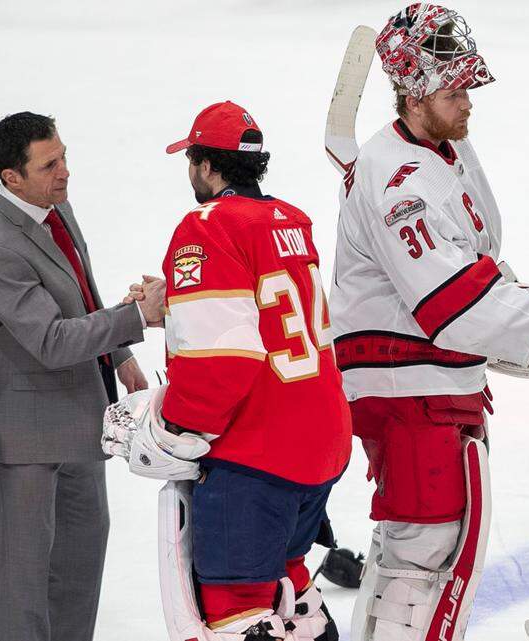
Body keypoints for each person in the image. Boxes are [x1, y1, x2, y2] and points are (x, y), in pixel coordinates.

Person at [328, 5, 529, 641]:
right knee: (421, 548)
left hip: (436, 381)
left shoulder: (447, 149)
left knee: (434, 547)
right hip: (402, 387)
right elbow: (445, 301)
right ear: (415, 96)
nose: (468, 101)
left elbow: (475, 265)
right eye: (454, 91)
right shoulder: (398, 181)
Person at [106, 101, 351, 641]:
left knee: (236, 607)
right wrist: (175, 299)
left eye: (191, 158)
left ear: (206, 166)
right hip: (320, 443)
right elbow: (265, 311)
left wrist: (168, 426)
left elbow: (223, 365)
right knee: (285, 578)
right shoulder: (290, 219)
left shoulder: (206, 227)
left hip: (258, 455)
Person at [0, 111, 159, 641]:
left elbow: (81, 288)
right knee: (26, 588)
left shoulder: (56, 207)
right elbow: (50, 340)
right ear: (12, 178)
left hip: (78, 417)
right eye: (50, 164)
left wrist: (120, 353)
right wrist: (139, 317)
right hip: (22, 435)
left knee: (80, 569)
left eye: (64, 156)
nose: (66, 171)